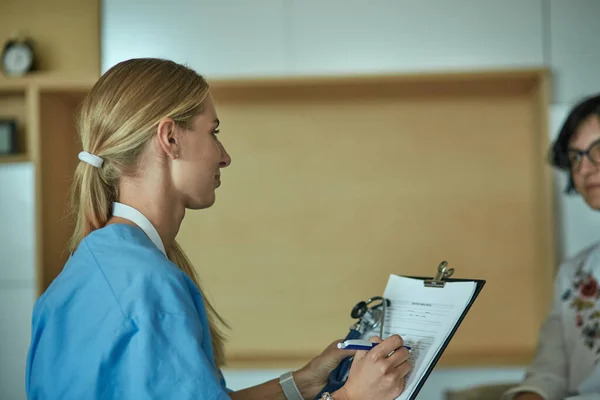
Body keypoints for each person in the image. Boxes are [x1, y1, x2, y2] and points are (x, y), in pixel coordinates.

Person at [24, 58, 412, 400]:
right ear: (170, 138)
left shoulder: (87, 271)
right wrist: (352, 398)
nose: (224, 156)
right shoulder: (149, 284)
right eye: (213, 131)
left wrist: (303, 382)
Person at [502, 94, 600, 400]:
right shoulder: (574, 275)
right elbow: (549, 371)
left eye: (598, 150)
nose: (584, 168)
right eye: (575, 157)